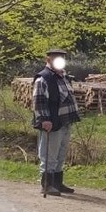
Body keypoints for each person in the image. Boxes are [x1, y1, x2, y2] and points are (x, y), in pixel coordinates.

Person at [32, 49, 81, 196]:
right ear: (48, 60)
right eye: (56, 59)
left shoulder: (64, 77)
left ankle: (57, 183)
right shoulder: (43, 78)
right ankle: (46, 184)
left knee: (60, 153)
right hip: (51, 122)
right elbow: (38, 102)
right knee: (49, 155)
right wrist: (44, 119)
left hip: (65, 121)